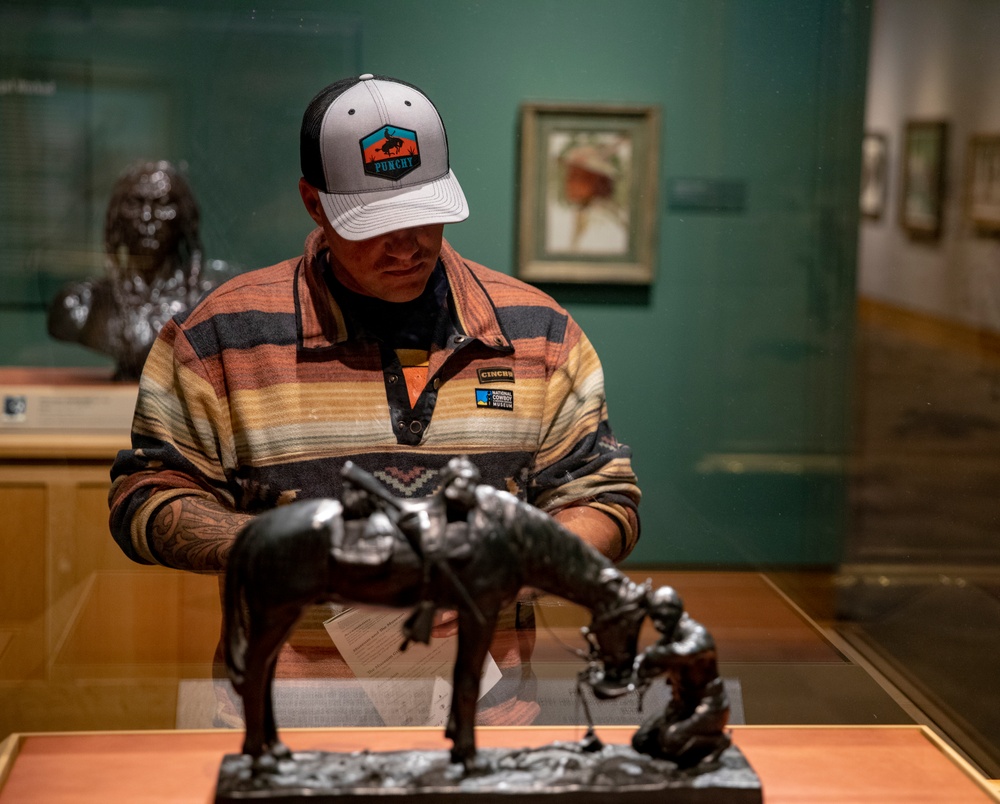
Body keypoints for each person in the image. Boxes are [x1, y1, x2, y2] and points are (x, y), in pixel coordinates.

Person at [108, 74, 640, 723]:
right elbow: (149, 496)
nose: (408, 244)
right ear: (314, 203)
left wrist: (510, 565)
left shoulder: (540, 332)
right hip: (286, 714)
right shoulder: (224, 335)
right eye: (378, 222)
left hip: (487, 715)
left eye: (425, 214)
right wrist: (290, 550)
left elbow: (602, 497)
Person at [47, 159, 235, 380]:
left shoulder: (221, 294)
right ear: (117, 216)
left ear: (184, 216)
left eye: (163, 203)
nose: (147, 217)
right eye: (135, 203)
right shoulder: (82, 305)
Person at [630, 586, 731, 768]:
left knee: (671, 739)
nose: (658, 624)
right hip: (681, 705)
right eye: (655, 617)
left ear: (675, 612)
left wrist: (652, 656)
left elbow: (683, 653)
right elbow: (650, 663)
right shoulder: (670, 636)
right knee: (642, 740)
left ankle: (717, 742)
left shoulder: (697, 635)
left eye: (662, 616)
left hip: (707, 706)